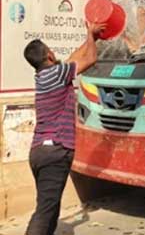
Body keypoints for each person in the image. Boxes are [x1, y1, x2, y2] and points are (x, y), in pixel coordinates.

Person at [23, 22, 106, 235]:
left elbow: (74, 57)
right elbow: (89, 59)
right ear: (49, 55)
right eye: (51, 49)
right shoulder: (58, 73)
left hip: (40, 152)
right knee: (44, 212)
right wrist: (90, 34)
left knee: (50, 209)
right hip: (55, 151)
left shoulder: (46, 75)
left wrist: (92, 39)